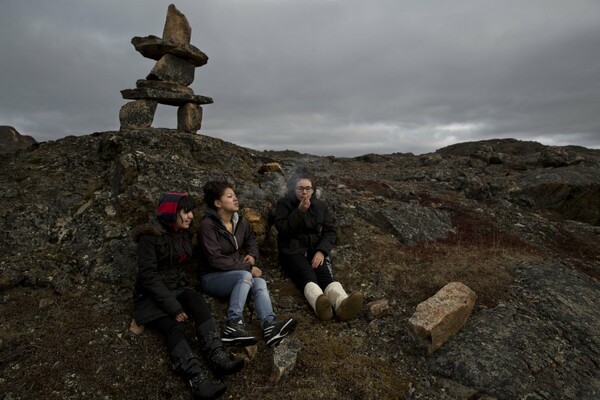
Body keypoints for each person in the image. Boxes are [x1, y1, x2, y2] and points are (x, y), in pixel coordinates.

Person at [132, 192, 243, 400]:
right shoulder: (150, 237)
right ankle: (197, 380)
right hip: (151, 296)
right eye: (186, 211)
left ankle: (217, 358)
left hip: (178, 287)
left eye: (191, 211)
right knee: (172, 327)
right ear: (171, 213)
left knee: (196, 300)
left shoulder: (182, 232)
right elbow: (148, 277)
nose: (191, 215)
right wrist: (173, 307)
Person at [196, 181, 297, 347]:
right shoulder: (208, 226)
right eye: (230, 196)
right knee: (246, 275)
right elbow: (215, 259)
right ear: (217, 203)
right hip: (211, 277)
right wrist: (247, 267)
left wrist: (252, 255)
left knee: (260, 282)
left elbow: (251, 238)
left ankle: (269, 326)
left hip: (234, 273)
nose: (235, 199)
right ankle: (233, 325)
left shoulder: (239, 222)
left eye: (235, 196)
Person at [274, 170, 363, 321]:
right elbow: (283, 229)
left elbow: (330, 231)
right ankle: (320, 305)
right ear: (293, 189)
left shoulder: (320, 206)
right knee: (307, 274)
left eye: (308, 188)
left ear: (313, 190)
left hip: (315, 250)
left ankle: (342, 304)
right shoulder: (284, 204)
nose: (304, 192)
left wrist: (321, 251)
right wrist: (300, 211)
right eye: (300, 188)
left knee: (325, 275)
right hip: (291, 251)